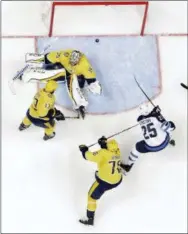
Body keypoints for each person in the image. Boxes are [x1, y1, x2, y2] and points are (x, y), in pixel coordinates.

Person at [20, 49, 102, 119]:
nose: (71, 64)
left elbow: (91, 80)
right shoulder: (65, 55)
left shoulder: (85, 66)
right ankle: (27, 75)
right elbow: (48, 57)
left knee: (74, 85)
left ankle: (80, 105)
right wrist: (33, 59)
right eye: (71, 62)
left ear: (78, 61)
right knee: (50, 75)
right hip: (64, 71)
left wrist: (95, 87)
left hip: (76, 76)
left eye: (74, 63)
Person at [79, 136, 123, 226]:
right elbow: (107, 153)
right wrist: (103, 144)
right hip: (117, 179)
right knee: (100, 171)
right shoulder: (118, 151)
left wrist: (84, 150)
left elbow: (88, 156)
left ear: (107, 147)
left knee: (91, 197)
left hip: (106, 182)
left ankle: (90, 219)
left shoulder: (103, 153)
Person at [120, 104, 176, 174]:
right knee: (167, 127)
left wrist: (155, 112)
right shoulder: (156, 116)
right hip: (163, 143)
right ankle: (170, 140)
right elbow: (169, 127)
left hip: (151, 147)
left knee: (136, 147)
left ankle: (128, 166)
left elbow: (147, 116)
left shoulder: (139, 119)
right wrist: (159, 114)